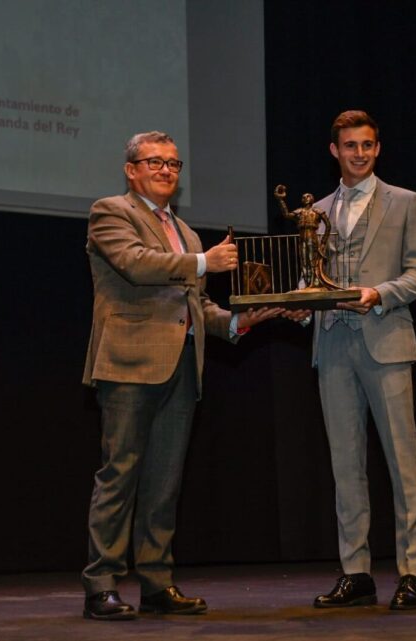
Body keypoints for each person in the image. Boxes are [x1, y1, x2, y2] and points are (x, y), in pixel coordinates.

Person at [81, 130, 279, 621]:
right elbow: (135, 265)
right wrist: (203, 262)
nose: (167, 170)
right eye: (155, 162)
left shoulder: (186, 232)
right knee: (120, 474)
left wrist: (239, 321)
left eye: (174, 163)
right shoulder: (111, 212)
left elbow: (197, 306)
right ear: (132, 170)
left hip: (182, 368)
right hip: (129, 363)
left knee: (164, 483)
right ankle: (101, 584)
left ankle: (155, 582)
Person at [286, 110, 416, 610]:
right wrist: (299, 308)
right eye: (351, 146)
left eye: (368, 145)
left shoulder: (405, 202)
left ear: (378, 148)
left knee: (402, 463)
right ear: (335, 151)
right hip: (332, 345)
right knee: (346, 465)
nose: (360, 153)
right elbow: (312, 279)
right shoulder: (317, 210)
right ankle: (357, 572)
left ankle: (411, 572)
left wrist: (377, 292)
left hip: (385, 341)